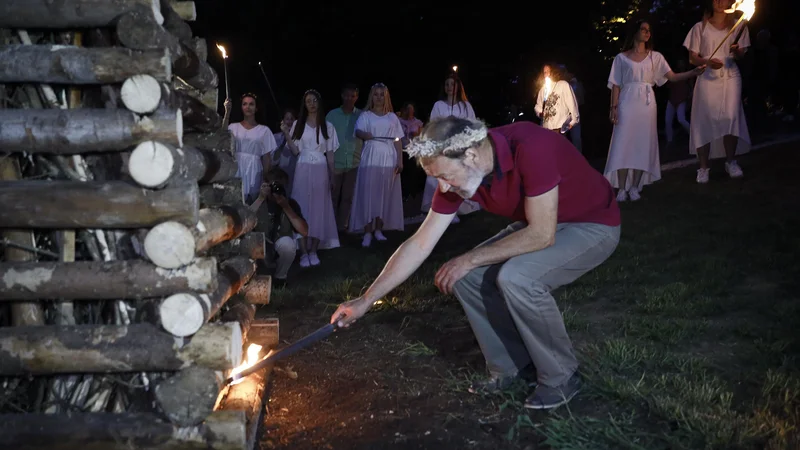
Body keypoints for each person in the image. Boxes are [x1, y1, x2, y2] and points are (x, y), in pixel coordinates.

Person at [331, 117, 621, 410]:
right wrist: (366, 299)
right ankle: (510, 367)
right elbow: (420, 243)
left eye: (445, 176)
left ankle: (562, 376)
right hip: (539, 223)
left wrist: (469, 258)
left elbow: (541, 235)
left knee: (517, 278)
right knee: (465, 277)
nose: (443, 187)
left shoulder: (533, 146)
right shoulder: (463, 172)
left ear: (470, 154)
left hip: (593, 224)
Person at [605, 20, 705, 201]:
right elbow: (616, 85)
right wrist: (614, 107)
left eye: (649, 30)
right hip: (627, 102)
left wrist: (692, 73)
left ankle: (635, 187)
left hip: (646, 104)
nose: (646, 32)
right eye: (643, 29)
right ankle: (621, 189)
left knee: (641, 144)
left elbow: (672, 76)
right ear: (635, 32)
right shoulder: (621, 58)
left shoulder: (655, 57)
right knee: (623, 143)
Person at [683, 0, 751, 184]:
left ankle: (731, 162)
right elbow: (692, 58)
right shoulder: (699, 27)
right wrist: (706, 61)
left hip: (730, 76)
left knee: (731, 117)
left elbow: (742, 54)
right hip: (707, 77)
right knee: (704, 118)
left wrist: (736, 52)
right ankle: (703, 167)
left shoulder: (739, 26)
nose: (721, 2)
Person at [285, 89, 341, 266]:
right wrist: (286, 133)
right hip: (303, 168)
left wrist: (332, 177)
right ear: (304, 104)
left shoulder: (328, 126)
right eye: (308, 101)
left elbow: (330, 155)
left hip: (320, 168)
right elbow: (295, 150)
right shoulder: (298, 125)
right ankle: (303, 252)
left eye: (314, 100)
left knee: (318, 208)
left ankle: (314, 250)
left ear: (319, 102)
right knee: (300, 207)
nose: (312, 103)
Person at [349, 83, 405, 247]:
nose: (379, 97)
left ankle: (379, 229)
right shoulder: (366, 116)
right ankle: (367, 231)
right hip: (371, 156)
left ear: (386, 97)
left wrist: (400, 160)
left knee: (384, 193)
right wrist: (364, 134)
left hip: (388, 156)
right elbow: (358, 131)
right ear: (371, 96)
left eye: (382, 94)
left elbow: (398, 140)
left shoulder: (392, 117)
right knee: (369, 192)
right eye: (376, 94)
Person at [421, 73, 480, 221]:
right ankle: (443, 210)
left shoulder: (465, 105)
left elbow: (472, 123)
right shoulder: (438, 105)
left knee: (457, 176)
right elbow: (433, 124)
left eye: (452, 84)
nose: (449, 88)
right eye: (447, 84)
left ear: (457, 87)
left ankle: (457, 208)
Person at [248, 168, 308, 289]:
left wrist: (285, 206)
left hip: (279, 242)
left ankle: (280, 278)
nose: (275, 190)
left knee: (288, 244)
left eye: (279, 186)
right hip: (259, 241)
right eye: (273, 185)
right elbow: (245, 220)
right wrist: (260, 199)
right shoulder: (254, 198)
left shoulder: (290, 203)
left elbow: (304, 231)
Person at [223, 93, 277, 203]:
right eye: (245, 104)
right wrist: (227, 113)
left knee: (251, 205)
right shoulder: (233, 127)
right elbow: (222, 135)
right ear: (241, 107)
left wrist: (265, 179)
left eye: (251, 104)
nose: (248, 107)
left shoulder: (264, 130)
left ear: (256, 108)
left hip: (255, 170)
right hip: (236, 167)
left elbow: (267, 158)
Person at [326, 84, 363, 231]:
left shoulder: (361, 115)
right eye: (347, 95)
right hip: (336, 162)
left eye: (352, 96)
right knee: (333, 196)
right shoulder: (332, 115)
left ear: (357, 97)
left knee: (348, 197)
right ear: (342, 96)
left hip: (354, 162)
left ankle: (342, 227)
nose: (349, 98)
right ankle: (331, 227)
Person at [534, 63, 580, 134]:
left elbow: (572, 104)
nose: (547, 74)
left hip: (560, 129)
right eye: (545, 72)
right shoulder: (543, 90)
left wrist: (573, 122)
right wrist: (540, 113)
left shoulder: (563, 85)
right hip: (546, 129)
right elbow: (538, 106)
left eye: (549, 71)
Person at [271, 109, 298, 195]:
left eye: (292, 119)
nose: (289, 121)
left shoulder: (300, 138)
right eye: (287, 119)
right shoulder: (276, 137)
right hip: (280, 176)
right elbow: (273, 160)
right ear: (282, 121)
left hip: (295, 175)